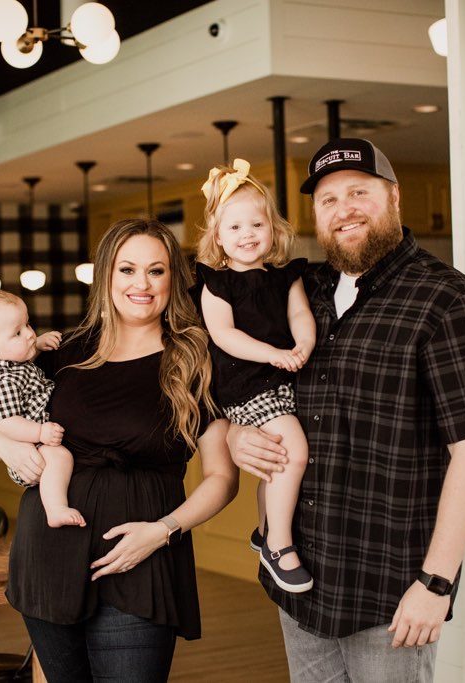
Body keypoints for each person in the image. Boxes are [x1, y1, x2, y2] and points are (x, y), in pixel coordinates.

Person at [227, 139, 465, 682]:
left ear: (394, 198)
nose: (345, 210)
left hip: (389, 592)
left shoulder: (447, 299)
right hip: (300, 583)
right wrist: (233, 439)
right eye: (329, 199)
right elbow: (240, 377)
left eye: (359, 192)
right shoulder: (300, 290)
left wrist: (436, 583)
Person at [0, 218, 239, 683]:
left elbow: (222, 478)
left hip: (140, 557)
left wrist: (163, 531)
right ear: (106, 275)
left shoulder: (197, 358)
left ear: (172, 280)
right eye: (127, 269)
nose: (141, 284)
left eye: (156, 271)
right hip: (48, 556)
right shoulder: (65, 349)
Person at [193, 158, 315, 593]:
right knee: (292, 454)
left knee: (271, 466)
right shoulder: (216, 283)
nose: (247, 235)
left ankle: (265, 530)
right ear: (218, 238)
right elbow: (223, 335)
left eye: (256, 225)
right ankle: (279, 545)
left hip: (281, 374)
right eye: (235, 228)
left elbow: (299, 313)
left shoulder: (285, 276)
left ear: (273, 228)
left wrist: (302, 345)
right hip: (245, 382)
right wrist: (274, 354)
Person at [0, 289, 83, 528]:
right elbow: (5, 422)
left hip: (32, 439)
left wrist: (38, 344)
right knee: (60, 457)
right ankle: (55, 508)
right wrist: (40, 433)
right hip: (29, 448)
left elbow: (22, 356)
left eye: (27, 325)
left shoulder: (8, 359)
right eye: (17, 332)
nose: (28, 334)